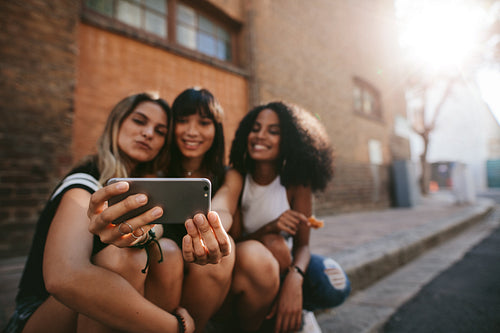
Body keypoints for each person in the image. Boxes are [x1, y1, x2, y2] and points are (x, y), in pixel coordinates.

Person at [4, 93, 195, 333]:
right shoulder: (84, 182)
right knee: (125, 258)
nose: (148, 133)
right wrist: (174, 327)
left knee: (167, 252)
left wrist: (153, 229)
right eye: (139, 121)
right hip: (39, 315)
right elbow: (62, 278)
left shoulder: (150, 188)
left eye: (159, 131)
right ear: (117, 122)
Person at [87, 88, 235, 333]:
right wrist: (141, 232)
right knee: (165, 252)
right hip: (166, 267)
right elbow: (152, 220)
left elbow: (225, 206)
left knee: (226, 249)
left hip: (202, 265)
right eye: (183, 121)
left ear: (216, 130)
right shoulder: (154, 171)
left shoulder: (229, 174)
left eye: (204, 123)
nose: (192, 131)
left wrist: (212, 225)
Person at [223, 101, 351, 332]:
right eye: (256, 128)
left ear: (290, 140)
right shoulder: (239, 178)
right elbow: (234, 242)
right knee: (275, 242)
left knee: (333, 284)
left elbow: (303, 246)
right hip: (250, 265)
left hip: (287, 264)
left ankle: (294, 309)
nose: (260, 136)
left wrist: (295, 280)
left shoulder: (296, 183)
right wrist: (270, 228)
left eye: (273, 131)